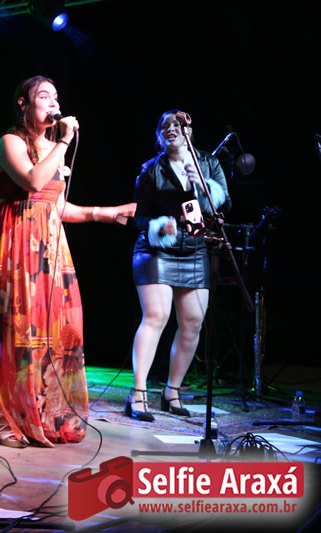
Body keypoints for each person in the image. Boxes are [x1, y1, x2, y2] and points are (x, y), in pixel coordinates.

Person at [0, 75, 136, 447]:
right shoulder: (10, 142)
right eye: (44, 96)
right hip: (17, 245)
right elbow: (34, 183)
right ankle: (9, 419)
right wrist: (65, 141)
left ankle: (46, 412)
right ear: (23, 104)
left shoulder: (52, 148)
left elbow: (55, 205)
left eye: (56, 96)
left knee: (55, 331)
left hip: (50, 249)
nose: (53, 102)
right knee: (18, 331)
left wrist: (105, 213)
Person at [126, 110, 231, 421]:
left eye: (177, 125)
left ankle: (172, 391)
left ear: (189, 130)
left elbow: (225, 203)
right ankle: (139, 393)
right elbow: (139, 217)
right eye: (165, 126)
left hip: (196, 249)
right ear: (159, 135)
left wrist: (205, 185)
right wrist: (159, 225)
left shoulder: (207, 163)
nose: (171, 129)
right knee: (156, 316)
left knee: (193, 321)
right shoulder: (150, 169)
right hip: (157, 249)